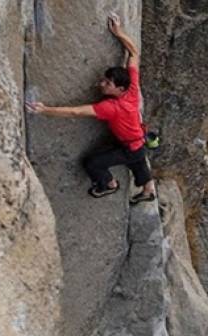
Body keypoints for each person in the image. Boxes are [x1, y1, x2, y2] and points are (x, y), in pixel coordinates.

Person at [26, 14, 155, 205]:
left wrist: (44, 110)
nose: (101, 84)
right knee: (137, 158)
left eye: (107, 83)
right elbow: (134, 54)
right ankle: (148, 189)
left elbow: (75, 112)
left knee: (93, 163)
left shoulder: (111, 108)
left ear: (119, 89)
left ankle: (108, 184)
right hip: (137, 141)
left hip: (130, 145)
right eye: (104, 79)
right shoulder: (132, 88)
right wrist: (119, 33)